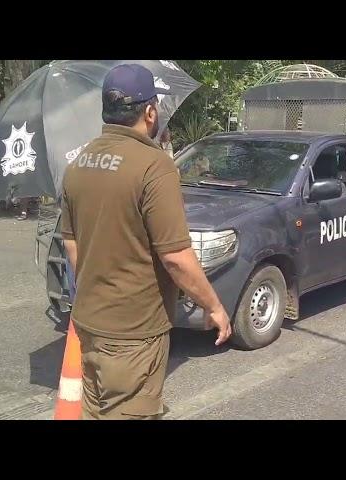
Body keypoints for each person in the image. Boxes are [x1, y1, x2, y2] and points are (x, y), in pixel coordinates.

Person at [60, 64, 231, 420]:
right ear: (150, 111)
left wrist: (95, 294)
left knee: (95, 412)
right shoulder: (155, 167)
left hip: (89, 322)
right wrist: (214, 307)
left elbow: (71, 244)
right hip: (133, 334)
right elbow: (176, 257)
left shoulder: (78, 164)